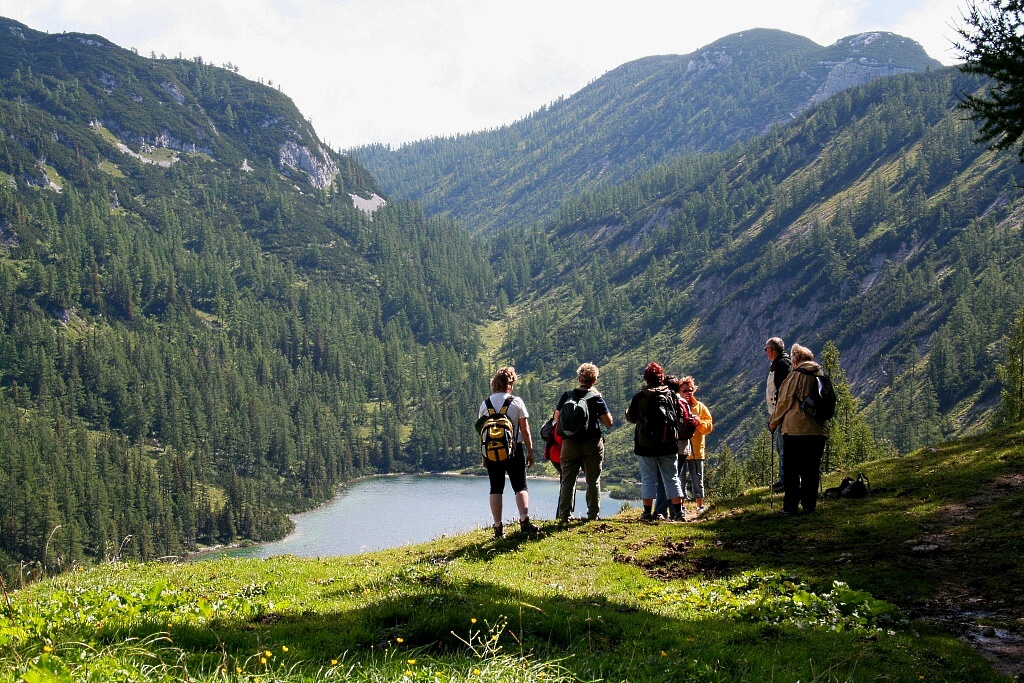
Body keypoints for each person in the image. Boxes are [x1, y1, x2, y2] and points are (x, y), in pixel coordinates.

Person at [478, 367, 538, 537]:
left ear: (494, 384)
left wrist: (484, 455)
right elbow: (525, 430)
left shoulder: (485, 404)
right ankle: (524, 522)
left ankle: (498, 528)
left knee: (495, 488)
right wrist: (530, 451)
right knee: (520, 486)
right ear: (509, 384)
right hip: (514, 450)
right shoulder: (516, 402)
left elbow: (481, 432)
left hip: (491, 451)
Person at [769, 344, 829, 515]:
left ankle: (791, 506)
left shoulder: (796, 376)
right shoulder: (820, 374)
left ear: (796, 359)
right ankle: (810, 506)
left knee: (792, 470)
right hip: (819, 430)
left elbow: (784, 402)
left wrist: (773, 422)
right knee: (812, 469)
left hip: (796, 430)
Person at [554, 363, 613, 523]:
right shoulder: (596, 398)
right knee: (593, 479)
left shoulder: (567, 395)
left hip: (569, 443)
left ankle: (564, 515)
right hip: (592, 443)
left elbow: (556, 419)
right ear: (594, 380)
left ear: (579, 378)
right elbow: (608, 422)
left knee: (568, 479)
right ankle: (592, 514)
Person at [625, 362, 685, 522]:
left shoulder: (639, 396)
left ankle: (646, 513)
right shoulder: (671, 395)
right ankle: (678, 512)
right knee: (672, 477)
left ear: (646, 378)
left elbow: (631, 417)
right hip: (669, 444)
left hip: (645, 446)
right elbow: (678, 414)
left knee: (648, 478)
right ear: (661, 377)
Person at [653, 374, 697, 520]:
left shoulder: (663, 401)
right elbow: (690, 423)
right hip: (683, 446)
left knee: (663, 479)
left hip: (667, 446)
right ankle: (676, 512)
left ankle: (660, 511)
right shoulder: (683, 402)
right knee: (675, 478)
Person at [679, 375, 713, 515]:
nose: (688, 393)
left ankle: (699, 506)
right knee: (679, 481)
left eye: (690, 390)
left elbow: (709, 427)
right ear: (680, 391)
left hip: (697, 451)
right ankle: (680, 506)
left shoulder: (700, 407)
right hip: (681, 451)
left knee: (698, 480)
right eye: (685, 390)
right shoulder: (676, 406)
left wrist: (699, 422)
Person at [765, 337, 792, 492]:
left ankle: (786, 480)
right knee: (781, 446)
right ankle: (784, 478)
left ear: (771, 350)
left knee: (783, 447)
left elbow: (782, 393)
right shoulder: (779, 364)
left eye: (766, 349)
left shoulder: (782, 365)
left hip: (782, 413)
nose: (766, 353)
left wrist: (776, 417)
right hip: (778, 412)